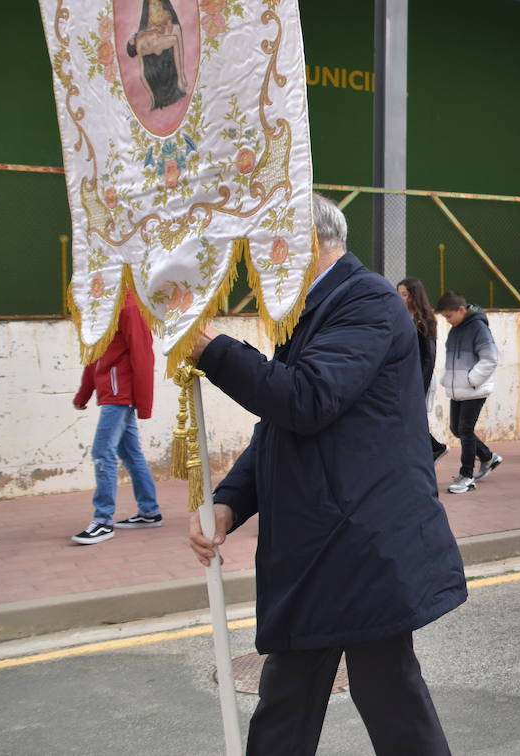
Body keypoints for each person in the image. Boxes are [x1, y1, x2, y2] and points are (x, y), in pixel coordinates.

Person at [187, 194, 464, 755]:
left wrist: (211, 349)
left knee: (384, 694)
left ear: (305, 243)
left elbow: (307, 399)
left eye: (263, 249)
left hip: (360, 543)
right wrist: (231, 501)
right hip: (327, 544)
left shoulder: (364, 302)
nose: (256, 266)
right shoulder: (316, 309)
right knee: (293, 697)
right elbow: (282, 428)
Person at [70, 288, 162, 544]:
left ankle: (103, 521)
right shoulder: (105, 307)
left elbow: (143, 355)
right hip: (112, 394)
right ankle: (149, 510)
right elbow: (94, 355)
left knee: (102, 453)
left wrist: (145, 404)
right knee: (130, 453)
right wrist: (83, 394)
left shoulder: (130, 306)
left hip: (119, 396)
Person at [437, 291, 502, 495]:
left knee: (464, 429)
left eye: (449, 316)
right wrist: (448, 379)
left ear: (462, 310)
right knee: (456, 428)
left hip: (474, 389)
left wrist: (471, 379)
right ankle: (487, 457)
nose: (447, 321)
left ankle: (467, 476)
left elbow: (490, 358)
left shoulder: (478, 328)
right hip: (459, 390)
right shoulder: (455, 330)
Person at [397, 277, 449, 460]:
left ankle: (435, 449)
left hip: (420, 378)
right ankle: (433, 449)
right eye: (398, 294)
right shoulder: (402, 317)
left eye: (404, 294)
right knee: (409, 420)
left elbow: (429, 357)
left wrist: (420, 385)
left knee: (412, 420)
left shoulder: (423, 320)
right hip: (407, 378)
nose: (400, 298)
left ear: (414, 296)